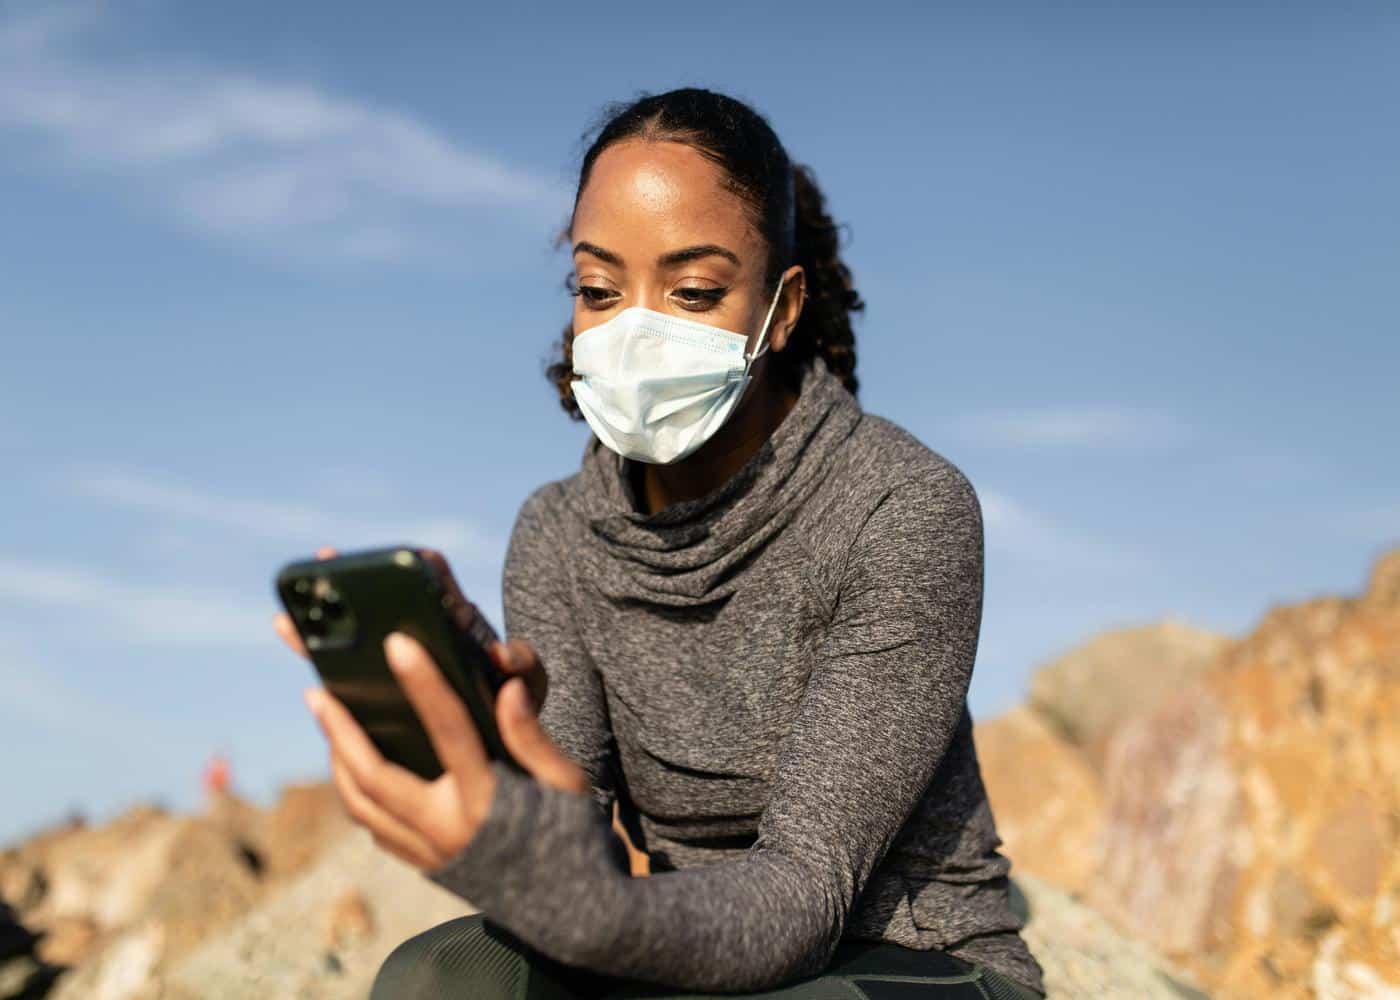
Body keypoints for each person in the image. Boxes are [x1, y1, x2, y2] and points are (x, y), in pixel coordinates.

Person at [275, 87, 1047, 999]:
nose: (637, 329)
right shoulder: (558, 534)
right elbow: (582, 862)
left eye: (693, 292)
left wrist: (590, 909)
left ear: (783, 308)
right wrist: (516, 759)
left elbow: (804, 898)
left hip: (907, 959)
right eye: (599, 290)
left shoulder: (903, 506)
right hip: (685, 949)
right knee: (435, 980)